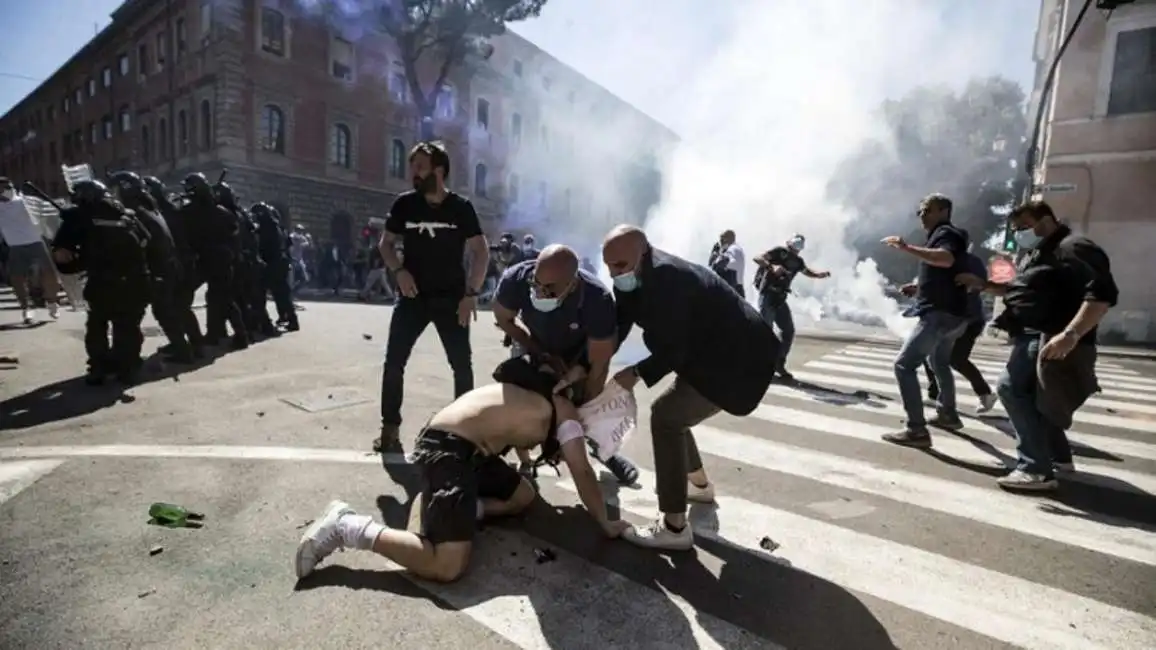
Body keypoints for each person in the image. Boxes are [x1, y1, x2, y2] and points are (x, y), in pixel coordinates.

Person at [294, 356, 630, 583]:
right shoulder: (566, 410)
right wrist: (605, 522)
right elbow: (583, 472)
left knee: (523, 496)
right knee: (448, 565)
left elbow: (514, 432)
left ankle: (467, 509)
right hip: (446, 449)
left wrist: (525, 463)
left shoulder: (542, 395)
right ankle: (347, 526)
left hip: (467, 449)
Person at [601, 225, 780, 551]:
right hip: (707, 352)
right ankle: (698, 486)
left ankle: (673, 526)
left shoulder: (670, 279)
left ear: (643, 253)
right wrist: (596, 360)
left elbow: (676, 348)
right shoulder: (634, 273)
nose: (615, 274)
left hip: (737, 360)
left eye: (620, 266)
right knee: (676, 416)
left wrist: (635, 372)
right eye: (609, 266)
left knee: (666, 418)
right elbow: (621, 321)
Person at [956, 200, 1117, 492]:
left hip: (1046, 335)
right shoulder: (1039, 253)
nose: (1019, 234)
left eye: (1023, 227)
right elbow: (1022, 289)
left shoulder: (1073, 247)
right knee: (1038, 401)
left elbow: (1101, 295)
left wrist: (1070, 334)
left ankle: (1035, 468)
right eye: (1016, 229)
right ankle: (1058, 458)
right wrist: (984, 284)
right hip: (1030, 333)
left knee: (1010, 389)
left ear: (1045, 220)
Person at [375, 141, 490, 454]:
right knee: (394, 363)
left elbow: (481, 252)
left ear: (439, 170)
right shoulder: (404, 205)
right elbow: (385, 244)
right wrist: (398, 270)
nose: (413, 172)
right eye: (413, 167)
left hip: (452, 299)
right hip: (413, 298)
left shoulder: (461, 208)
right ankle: (389, 429)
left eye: (420, 167)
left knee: (461, 367)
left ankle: (463, 434)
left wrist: (471, 294)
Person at [493, 244, 640, 484]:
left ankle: (603, 450)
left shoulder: (597, 300)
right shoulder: (516, 279)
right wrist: (539, 353)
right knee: (519, 400)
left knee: (584, 405)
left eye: (549, 289)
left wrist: (583, 396)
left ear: (572, 284)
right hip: (532, 341)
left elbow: (598, 365)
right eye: (536, 285)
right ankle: (525, 461)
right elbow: (505, 319)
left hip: (578, 353)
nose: (539, 293)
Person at [879, 193, 971, 448]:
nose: (922, 216)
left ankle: (916, 429)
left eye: (926, 210)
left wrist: (906, 248)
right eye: (920, 212)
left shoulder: (946, 234)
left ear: (943, 211)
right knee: (939, 362)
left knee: (904, 366)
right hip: (954, 314)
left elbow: (946, 259)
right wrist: (919, 288)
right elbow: (946, 274)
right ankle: (948, 414)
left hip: (939, 314)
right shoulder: (950, 235)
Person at [51, 180, 153, 384]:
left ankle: (99, 368)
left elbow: (62, 255)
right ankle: (128, 368)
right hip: (137, 279)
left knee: (98, 325)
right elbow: (146, 239)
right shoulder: (128, 214)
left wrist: (80, 260)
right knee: (128, 326)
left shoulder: (77, 216)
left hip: (102, 282)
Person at [107, 171, 196, 363]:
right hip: (166, 266)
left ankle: (128, 358)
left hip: (157, 269)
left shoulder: (133, 211)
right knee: (163, 310)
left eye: (114, 189)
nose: (111, 193)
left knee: (135, 314)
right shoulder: (149, 207)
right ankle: (182, 348)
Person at [910, 243, 997, 412]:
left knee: (954, 359)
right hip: (954, 318)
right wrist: (919, 289)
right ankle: (936, 395)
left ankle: (984, 394)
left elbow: (974, 287)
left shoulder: (970, 263)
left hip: (967, 319)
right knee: (933, 354)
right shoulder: (946, 262)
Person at [181, 173, 248, 350]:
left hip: (210, 260)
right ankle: (218, 333)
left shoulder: (190, 212)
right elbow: (234, 234)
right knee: (221, 298)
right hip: (221, 260)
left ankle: (237, 335)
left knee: (218, 298)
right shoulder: (223, 213)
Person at [752, 234, 830, 380]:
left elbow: (807, 271)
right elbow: (757, 258)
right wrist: (771, 266)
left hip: (781, 298)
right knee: (765, 332)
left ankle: (779, 363)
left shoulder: (798, 261)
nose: (798, 246)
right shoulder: (779, 252)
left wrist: (820, 275)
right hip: (768, 295)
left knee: (788, 331)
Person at [144, 175, 204, 350]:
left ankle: (182, 346)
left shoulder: (160, 212)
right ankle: (194, 343)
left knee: (168, 308)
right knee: (182, 307)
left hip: (175, 264)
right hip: (183, 263)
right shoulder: (171, 209)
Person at [0, 177, 61, 324]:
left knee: (49, 273)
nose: (4, 191)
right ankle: (26, 307)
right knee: (17, 277)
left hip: (36, 242)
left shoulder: (26, 202)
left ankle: (52, 302)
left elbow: (48, 214)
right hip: (15, 245)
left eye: (6, 187)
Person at [251, 202, 299, 331]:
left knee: (260, 293)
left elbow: (263, 247)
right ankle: (291, 319)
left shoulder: (267, 228)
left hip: (272, 264)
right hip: (281, 262)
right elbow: (288, 245)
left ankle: (263, 323)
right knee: (282, 293)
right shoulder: (279, 227)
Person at [708, 229, 745, 297]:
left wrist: (718, 256)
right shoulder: (731, 249)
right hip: (733, 288)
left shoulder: (733, 248)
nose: (721, 242)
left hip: (733, 288)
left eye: (723, 239)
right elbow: (711, 264)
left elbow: (720, 263)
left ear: (729, 238)